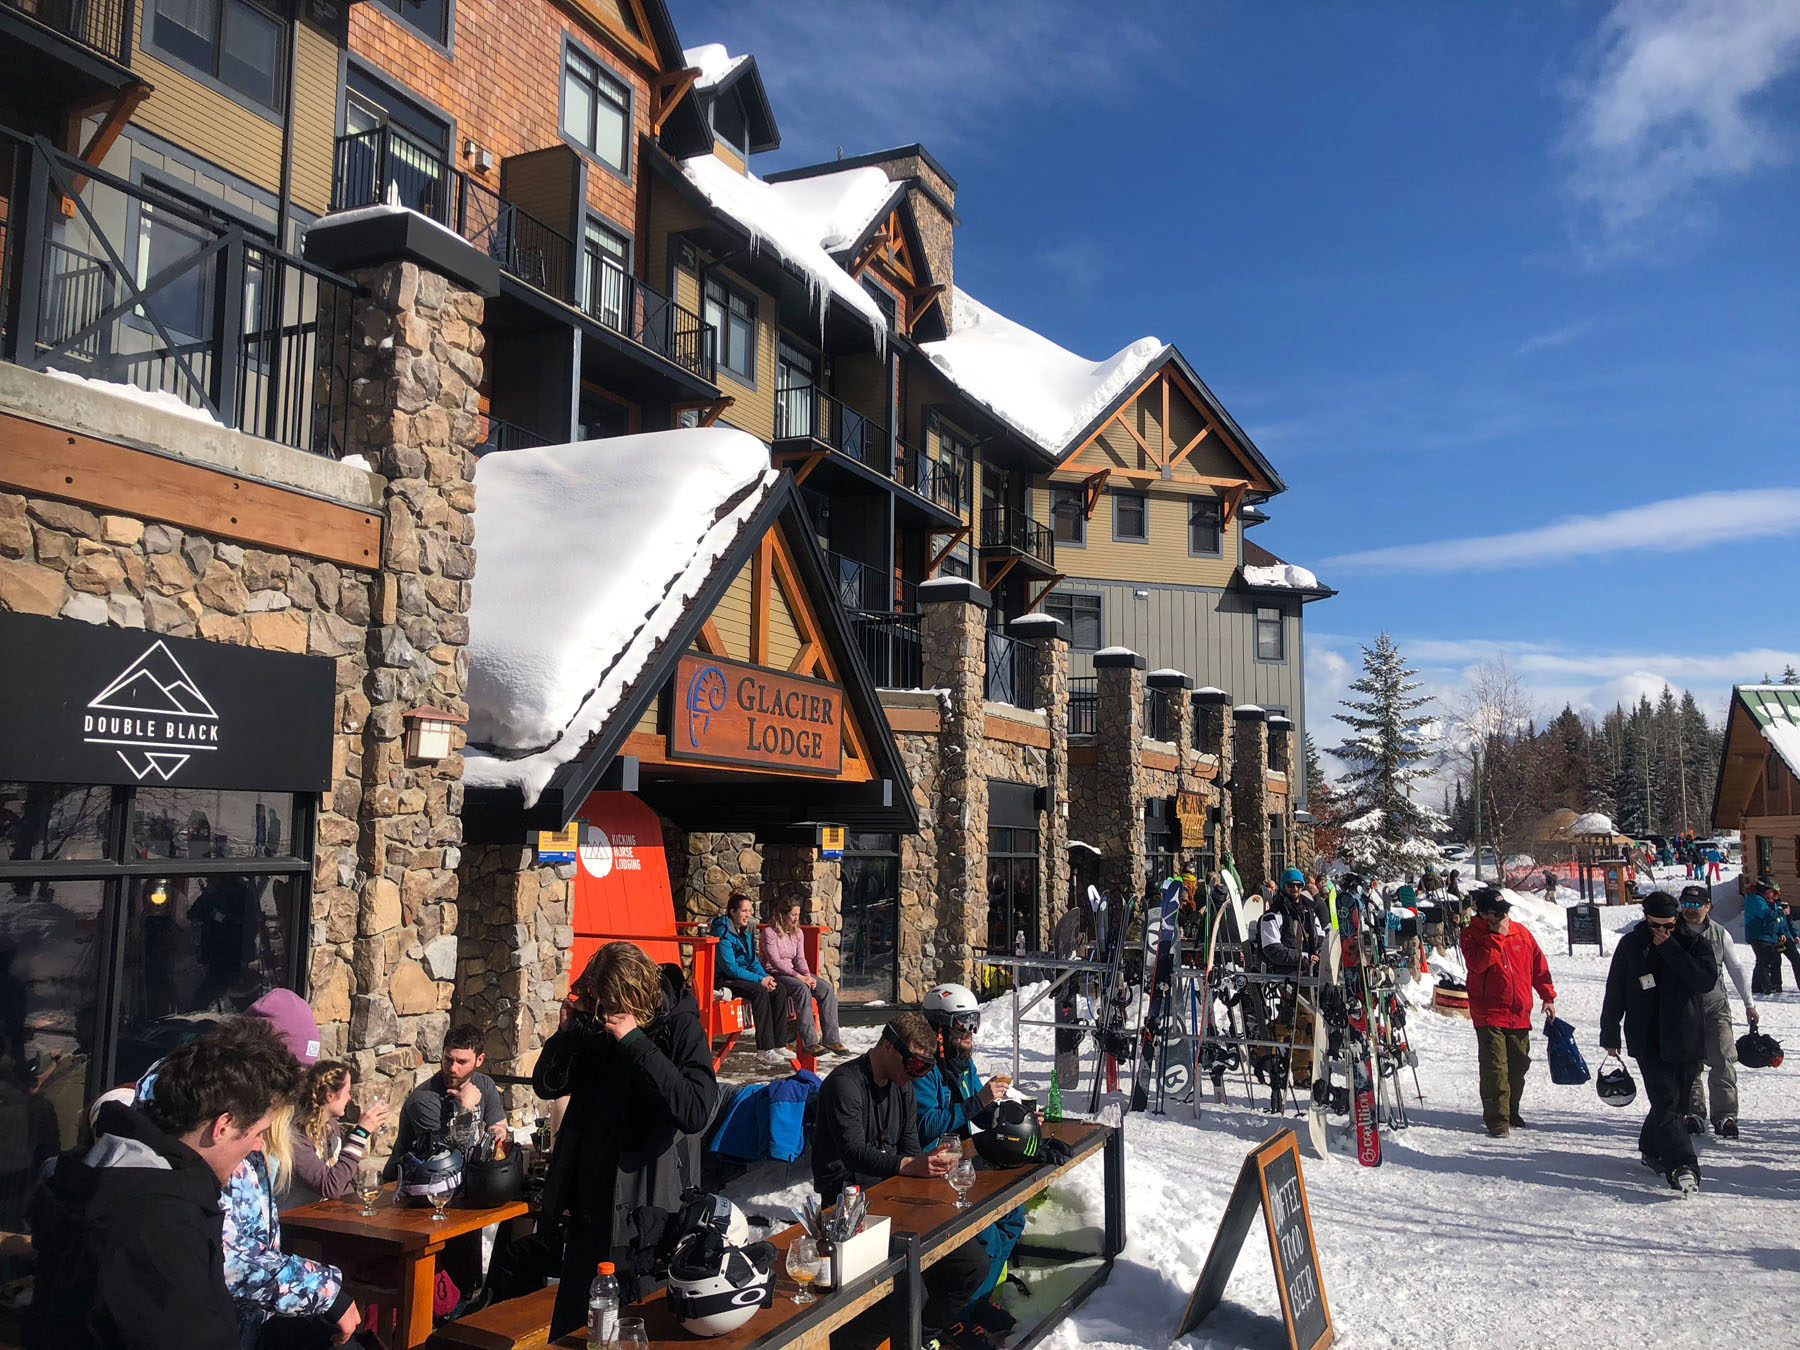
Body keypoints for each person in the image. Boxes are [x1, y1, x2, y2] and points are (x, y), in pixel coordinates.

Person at [26, 1022, 311, 1350]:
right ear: (223, 1125)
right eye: (258, 1132)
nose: (259, 1146)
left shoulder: (115, 1172)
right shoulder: (159, 1220)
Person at [531, 941, 715, 1339]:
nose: (600, 1015)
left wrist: (635, 1042)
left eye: (606, 1006)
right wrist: (566, 1036)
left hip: (650, 1209)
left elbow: (696, 1109)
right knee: (575, 1331)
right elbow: (546, 1085)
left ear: (629, 999)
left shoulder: (680, 1025)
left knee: (641, 1329)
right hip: (591, 1205)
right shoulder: (597, 1024)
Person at [813, 1013, 987, 1346]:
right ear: (889, 1048)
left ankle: (921, 1336)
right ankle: (856, 1341)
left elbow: (909, 1146)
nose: (917, 1075)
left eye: (924, 1068)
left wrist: (929, 1167)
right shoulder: (843, 1083)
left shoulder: (902, 1087)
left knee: (972, 1265)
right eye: (915, 1065)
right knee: (909, 1293)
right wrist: (909, 1164)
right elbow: (853, 1153)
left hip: (894, 1200)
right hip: (847, 1210)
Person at [913, 985, 1024, 1313]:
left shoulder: (963, 1066)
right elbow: (925, 1127)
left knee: (1013, 1215)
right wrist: (979, 1101)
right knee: (986, 1237)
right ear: (939, 1029)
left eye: (974, 1022)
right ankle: (956, 1315)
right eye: (962, 1024)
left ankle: (977, 1302)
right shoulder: (924, 1070)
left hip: (962, 1162)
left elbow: (981, 1110)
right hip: (930, 1169)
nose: (970, 1033)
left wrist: (1016, 1113)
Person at [1600, 891, 1719, 1193]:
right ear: (1646, 918)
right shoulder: (1631, 946)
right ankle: (1683, 1166)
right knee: (1665, 1102)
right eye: (1658, 926)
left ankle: (1651, 1149)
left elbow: (1705, 981)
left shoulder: (1692, 943)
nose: (1664, 931)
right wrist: (1610, 1033)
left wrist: (1671, 950)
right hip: (1647, 1038)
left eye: (1670, 924)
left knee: (1676, 1103)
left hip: (1685, 1036)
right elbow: (1615, 990)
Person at [1459, 889, 1556, 1137]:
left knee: (1518, 1066)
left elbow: (1538, 966)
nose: (1504, 916)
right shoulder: (1471, 935)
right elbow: (1478, 964)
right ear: (1482, 913)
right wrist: (1495, 937)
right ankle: (1497, 1120)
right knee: (1495, 1068)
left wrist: (1547, 996)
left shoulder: (1521, 932)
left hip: (1519, 1012)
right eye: (1497, 913)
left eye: (1506, 911)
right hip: (1489, 1013)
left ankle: (1511, 1110)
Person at [1675, 886, 1755, 1139]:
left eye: (1695, 904)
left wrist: (1749, 1004)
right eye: (1685, 903)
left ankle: (1725, 1116)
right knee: (1689, 1062)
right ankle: (1693, 1113)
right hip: (1683, 1008)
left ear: (1708, 906)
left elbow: (1736, 968)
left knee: (1723, 1059)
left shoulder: (1720, 934)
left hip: (1715, 1006)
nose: (1689, 908)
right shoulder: (1672, 933)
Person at [388, 1023, 507, 1176]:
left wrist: (494, 1139)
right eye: (448, 1059)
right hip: (416, 1182)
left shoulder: (485, 1085)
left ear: (479, 1060)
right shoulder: (423, 1100)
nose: (452, 1068)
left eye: (462, 1062)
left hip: (462, 1177)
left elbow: (499, 1126)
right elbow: (447, 1156)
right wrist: (466, 1108)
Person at [285, 1061, 390, 1207]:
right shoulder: (295, 1138)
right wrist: (361, 1133)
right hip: (296, 1221)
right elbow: (331, 1187)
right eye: (347, 1091)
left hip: (327, 1214)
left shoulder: (331, 1126)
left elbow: (342, 1182)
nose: (349, 1098)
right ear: (330, 1096)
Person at [709, 892, 791, 1067]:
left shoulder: (746, 930)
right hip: (725, 978)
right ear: (732, 911)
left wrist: (765, 977)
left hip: (743, 975)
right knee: (759, 992)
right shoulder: (723, 933)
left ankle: (779, 1044)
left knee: (779, 989)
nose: (748, 914)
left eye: (749, 911)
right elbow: (730, 967)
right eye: (744, 911)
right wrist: (758, 981)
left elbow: (752, 960)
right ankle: (764, 1049)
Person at [760, 898, 848, 1056]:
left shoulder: (798, 933)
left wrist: (808, 975)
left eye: (797, 915)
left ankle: (831, 1039)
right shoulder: (769, 933)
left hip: (795, 972)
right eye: (793, 915)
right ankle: (810, 1042)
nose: (796, 918)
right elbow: (775, 961)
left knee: (826, 988)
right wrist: (800, 978)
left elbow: (800, 959)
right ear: (783, 915)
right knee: (802, 989)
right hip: (775, 973)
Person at [1744, 878, 1783, 995]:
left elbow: (1776, 919)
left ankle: (1757, 987)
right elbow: (1765, 914)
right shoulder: (1755, 899)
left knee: (1764, 959)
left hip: (1768, 934)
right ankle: (1767, 987)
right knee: (1764, 960)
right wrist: (1780, 910)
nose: (1773, 895)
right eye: (1772, 891)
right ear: (1764, 889)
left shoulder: (1766, 900)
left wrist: (1779, 932)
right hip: (1758, 934)